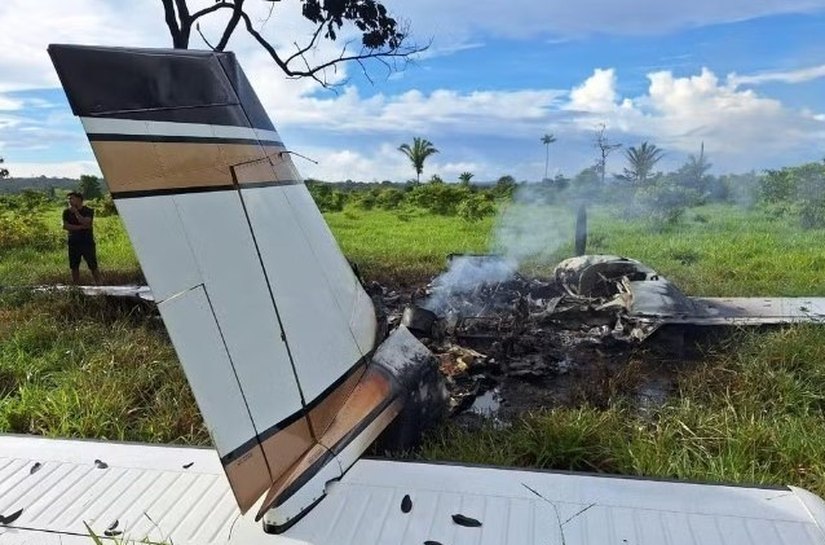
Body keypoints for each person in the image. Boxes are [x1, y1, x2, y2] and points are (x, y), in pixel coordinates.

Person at [63, 191, 101, 284]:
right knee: (74, 267)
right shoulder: (66, 212)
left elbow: (86, 222)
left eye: (72, 198)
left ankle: (100, 285)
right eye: (69, 199)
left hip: (87, 242)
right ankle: (77, 288)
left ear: (79, 199)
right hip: (73, 243)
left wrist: (76, 212)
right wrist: (81, 227)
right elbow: (66, 226)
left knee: (93, 265)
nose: (70, 200)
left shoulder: (88, 210)